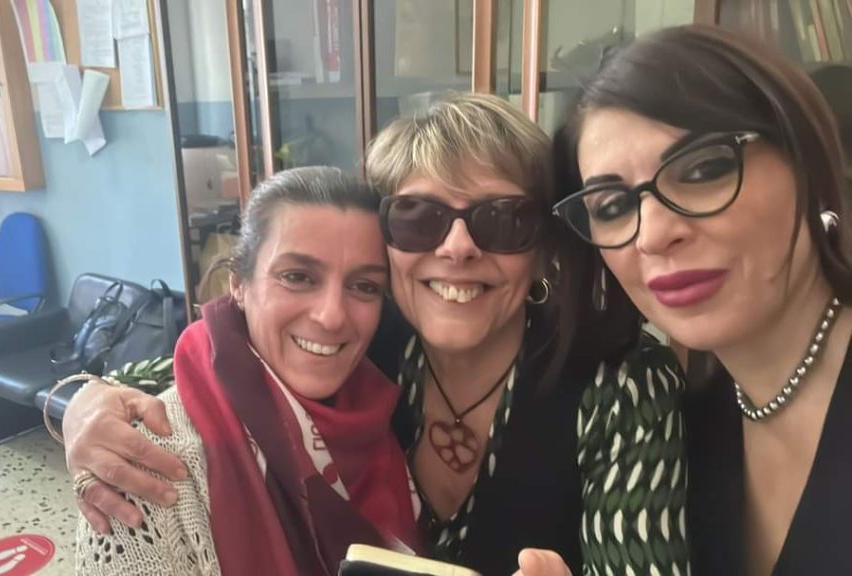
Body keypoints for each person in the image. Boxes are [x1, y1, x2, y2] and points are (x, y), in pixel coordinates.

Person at [63, 94, 689, 575]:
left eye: (502, 219)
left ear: (542, 248)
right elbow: (206, 364)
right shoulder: (361, 339)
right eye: (419, 217)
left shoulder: (619, 384)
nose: (458, 247)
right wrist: (80, 402)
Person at [552, 24, 852, 574]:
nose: (652, 234)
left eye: (703, 170)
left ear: (806, 162)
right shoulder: (694, 428)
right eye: (612, 207)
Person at [75, 167, 420, 575]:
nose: (332, 316)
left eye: (364, 286)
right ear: (238, 285)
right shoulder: (144, 464)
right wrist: (80, 402)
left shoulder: (389, 400)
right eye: (297, 277)